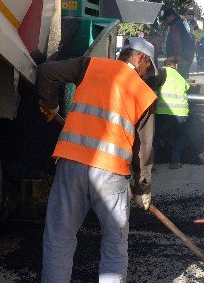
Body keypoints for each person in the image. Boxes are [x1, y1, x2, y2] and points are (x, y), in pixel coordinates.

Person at [37, 37, 158, 282]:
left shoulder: (90, 65)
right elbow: (143, 148)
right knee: (114, 245)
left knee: (59, 239)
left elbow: (47, 71)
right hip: (111, 175)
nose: (147, 74)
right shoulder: (143, 93)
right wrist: (142, 187)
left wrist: (50, 104)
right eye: (148, 68)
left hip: (71, 166)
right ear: (140, 58)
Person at [153, 56, 190, 169]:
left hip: (163, 112)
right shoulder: (180, 78)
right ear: (176, 65)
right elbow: (187, 88)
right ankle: (175, 161)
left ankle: (151, 164)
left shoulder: (161, 72)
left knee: (156, 136)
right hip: (181, 113)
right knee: (180, 136)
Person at [162, 8, 195, 79]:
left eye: (167, 18)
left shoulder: (175, 25)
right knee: (183, 80)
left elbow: (176, 41)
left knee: (174, 80)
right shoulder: (183, 23)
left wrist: (178, 56)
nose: (167, 21)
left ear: (172, 16)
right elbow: (191, 38)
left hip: (179, 59)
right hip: (187, 57)